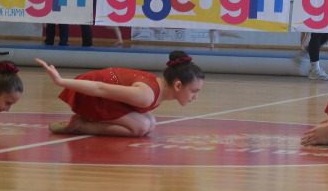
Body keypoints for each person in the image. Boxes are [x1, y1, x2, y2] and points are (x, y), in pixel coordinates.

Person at [36, 50, 205, 137]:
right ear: (178, 85)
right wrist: (61, 81)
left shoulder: (158, 90)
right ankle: (80, 125)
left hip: (103, 95)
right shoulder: (146, 95)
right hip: (90, 95)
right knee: (141, 127)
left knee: (150, 123)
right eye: (194, 91)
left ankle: (86, 121)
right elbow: (100, 88)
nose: (195, 97)